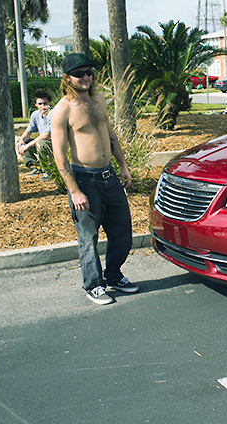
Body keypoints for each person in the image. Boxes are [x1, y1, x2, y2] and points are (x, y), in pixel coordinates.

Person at [51, 53, 139, 305]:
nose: (86, 77)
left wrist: (123, 165)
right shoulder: (62, 109)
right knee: (88, 238)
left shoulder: (98, 99)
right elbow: (59, 155)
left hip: (109, 175)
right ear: (67, 77)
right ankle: (93, 285)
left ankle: (113, 275)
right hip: (84, 180)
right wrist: (74, 190)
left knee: (122, 231)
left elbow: (110, 134)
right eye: (79, 73)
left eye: (89, 72)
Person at [17, 88, 53, 180]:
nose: (43, 106)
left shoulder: (53, 113)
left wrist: (27, 146)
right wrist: (21, 141)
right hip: (44, 144)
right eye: (40, 104)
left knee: (40, 144)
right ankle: (37, 167)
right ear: (36, 104)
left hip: (55, 145)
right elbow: (28, 132)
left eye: (45, 103)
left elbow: (46, 135)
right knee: (24, 142)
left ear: (50, 102)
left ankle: (49, 171)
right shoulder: (35, 115)